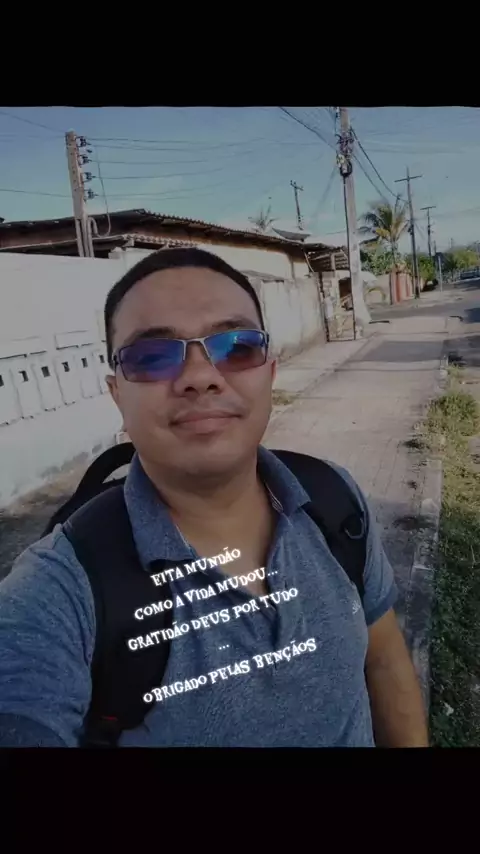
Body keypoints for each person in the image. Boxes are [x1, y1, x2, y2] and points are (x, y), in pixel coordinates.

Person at [0, 248, 428, 747]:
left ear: (269, 373)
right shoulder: (59, 592)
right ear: (118, 395)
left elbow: (383, 658)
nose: (200, 377)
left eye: (237, 347)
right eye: (152, 357)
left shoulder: (333, 499)